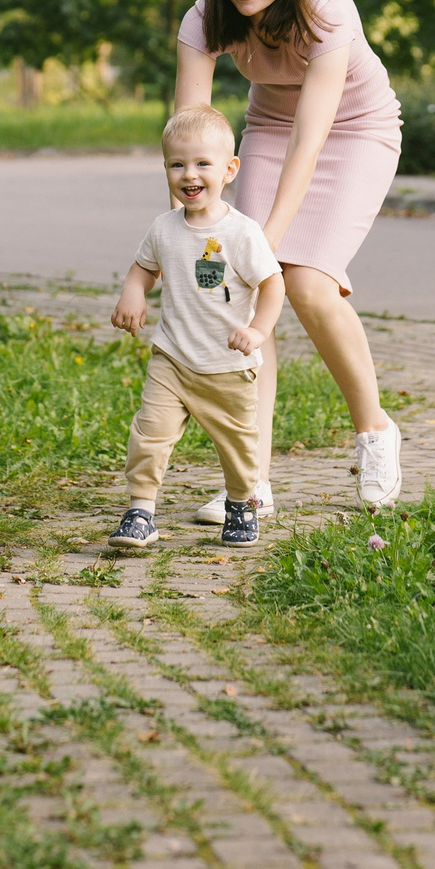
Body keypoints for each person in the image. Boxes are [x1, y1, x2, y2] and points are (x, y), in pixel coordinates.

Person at [174, 0, 405, 514]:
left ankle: (375, 430)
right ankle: (250, 485)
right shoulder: (203, 20)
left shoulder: (329, 10)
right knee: (244, 297)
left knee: (303, 284)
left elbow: (313, 138)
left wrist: (261, 243)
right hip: (270, 130)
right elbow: (189, 129)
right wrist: (187, 227)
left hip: (355, 132)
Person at [105, 105, 287, 551]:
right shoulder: (163, 228)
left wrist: (259, 330)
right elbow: (143, 268)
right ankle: (141, 511)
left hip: (227, 365)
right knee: (149, 432)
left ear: (229, 170)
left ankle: (242, 505)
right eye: (177, 164)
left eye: (203, 164)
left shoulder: (242, 233)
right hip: (173, 358)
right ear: (165, 168)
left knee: (238, 444)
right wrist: (134, 291)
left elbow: (273, 284)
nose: (190, 174)